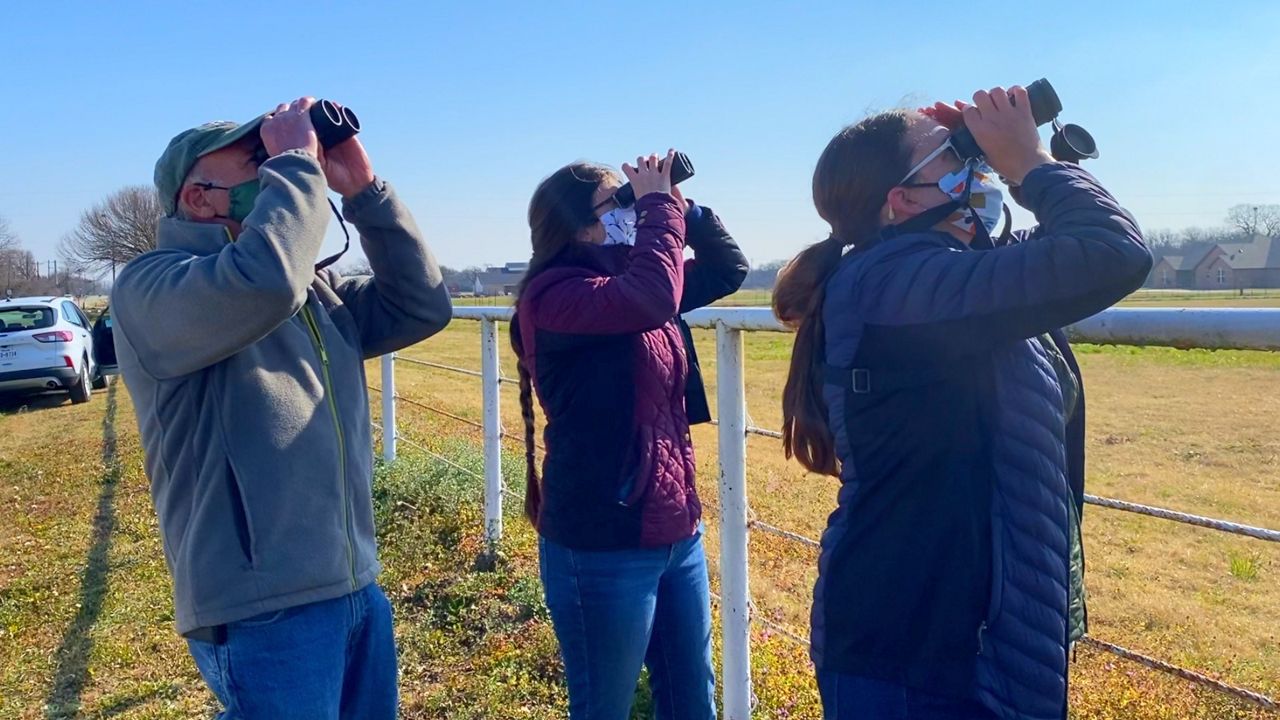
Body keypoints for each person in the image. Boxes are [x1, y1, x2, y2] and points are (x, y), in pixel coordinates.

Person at [772, 87, 1151, 719]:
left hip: (960, 627)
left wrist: (1010, 157)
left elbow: (1058, 255)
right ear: (900, 202)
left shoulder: (935, 274)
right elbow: (1110, 253)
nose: (973, 166)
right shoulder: (893, 284)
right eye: (953, 157)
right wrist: (1029, 163)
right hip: (911, 645)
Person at [111, 97, 453, 719]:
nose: (281, 165)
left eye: (280, 155)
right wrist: (297, 163)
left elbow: (422, 305)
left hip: (352, 582)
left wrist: (366, 190)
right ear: (199, 197)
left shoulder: (313, 293)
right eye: (257, 160)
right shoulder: (151, 286)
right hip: (261, 606)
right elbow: (263, 281)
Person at [510, 151, 748, 719]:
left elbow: (727, 268)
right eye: (617, 203)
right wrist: (656, 206)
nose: (631, 212)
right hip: (602, 539)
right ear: (576, 225)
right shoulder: (555, 296)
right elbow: (651, 298)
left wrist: (685, 211)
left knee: (693, 700)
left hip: (675, 531)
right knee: (604, 708)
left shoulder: (632, 279)